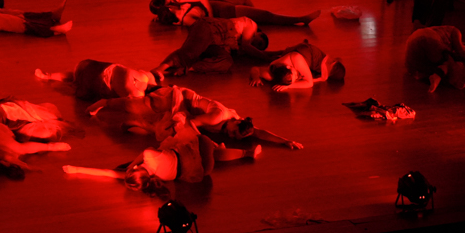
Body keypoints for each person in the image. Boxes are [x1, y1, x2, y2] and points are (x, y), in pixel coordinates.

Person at [62, 113, 258, 196]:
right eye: (134, 169)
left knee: (210, 153)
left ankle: (242, 152)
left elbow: (107, 173)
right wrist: (130, 166)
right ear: (137, 170)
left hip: (201, 172)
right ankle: (246, 152)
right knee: (198, 141)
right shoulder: (149, 156)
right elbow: (142, 155)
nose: (133, 168)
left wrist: (76, 170)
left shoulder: (153, 179)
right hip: (196, 155)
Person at [85, 85, 303, 150]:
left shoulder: (238, 122)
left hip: (185, 108)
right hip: (177, 98)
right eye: (233, 134)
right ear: (235, 123)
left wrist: (285, 141)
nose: (231, 137)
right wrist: (210, 144)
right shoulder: (217, 117)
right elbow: (192, 123)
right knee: (137, 106)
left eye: (235, 137)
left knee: (162, 129)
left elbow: (259, 132)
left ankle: (136, 122)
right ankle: (105, 102)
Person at [155, 16, 281, 77]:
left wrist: (275, 54)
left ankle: (188, 68)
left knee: (226, 61)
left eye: (259, 47)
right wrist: (266, 57)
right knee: (189, 53)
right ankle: (160, 69)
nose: (256, 46)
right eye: (259, 42)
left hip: (216, 42)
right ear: (259, 33)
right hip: (209, 29)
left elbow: (249, 49)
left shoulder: (239, 44)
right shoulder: (251, 25)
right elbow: (247, 46)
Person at [150, 0, 320, 27]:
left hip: (227, 8)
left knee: (264, 15)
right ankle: (300, 19)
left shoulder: (181, 8)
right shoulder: (185, 17)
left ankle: (299, 19)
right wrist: (211, 15)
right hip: (230, 12)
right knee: (267, 16)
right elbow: (205, 24)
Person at [405, 25, 465, 92]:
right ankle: (447, 78)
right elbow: (461, 51)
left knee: (433, 66)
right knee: (448, 61)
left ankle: (437, 74)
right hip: (427, 38)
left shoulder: (443, 36)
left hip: (413, 46)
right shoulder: (455, 32)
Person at [35, 59, 159, 101]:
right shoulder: (138, 95)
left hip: (104, 72)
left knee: (75, 77)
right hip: (103, 79)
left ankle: (48, 76)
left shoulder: (146, 77)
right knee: (75, 79)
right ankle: (48, 76)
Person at [249, 40, 345, 91]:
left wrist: (290, 86)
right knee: (318, 76)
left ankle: (334, 62)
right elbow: (256, 69)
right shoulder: (271, 74)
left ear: (290, 67)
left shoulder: (297, 60)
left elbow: (309, 83)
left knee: (333, 73)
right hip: (296, 55)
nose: (298, 77)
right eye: (295, 78)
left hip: (308, 53)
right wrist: (256, 77)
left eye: (296, 75)